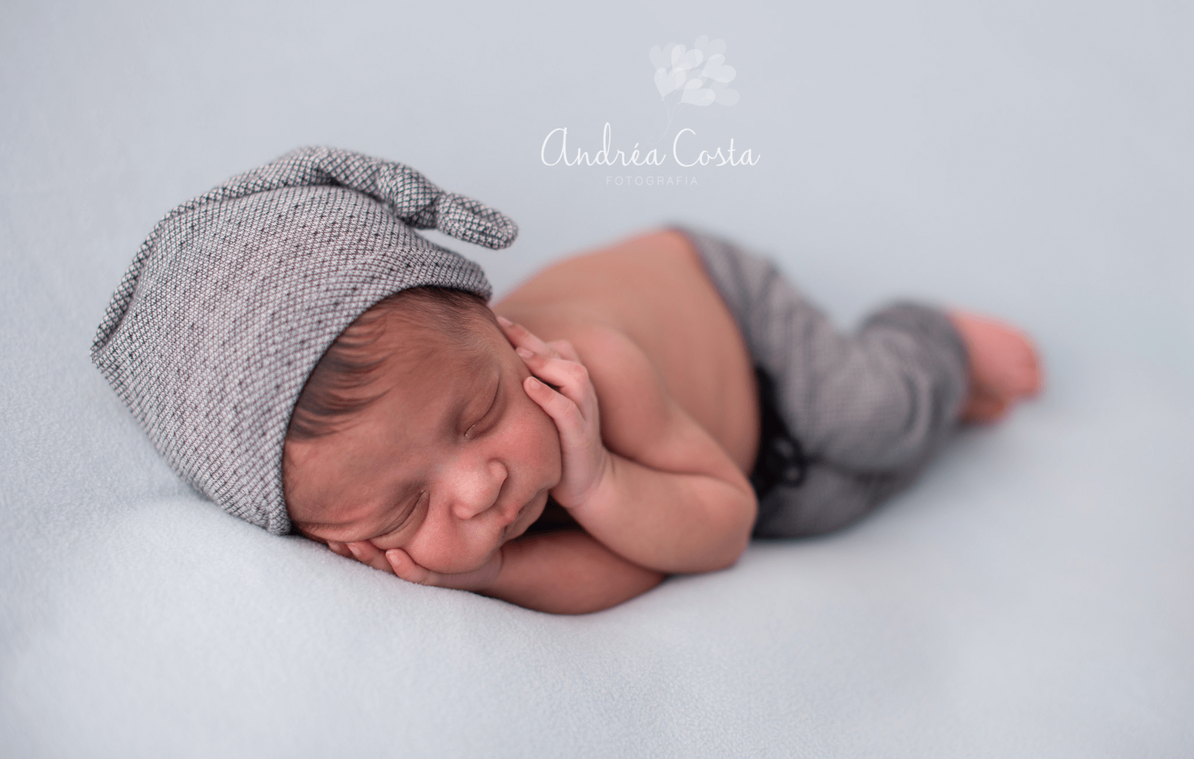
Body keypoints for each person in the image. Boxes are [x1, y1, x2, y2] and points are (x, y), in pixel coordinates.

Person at [91, 147, 1042, 615]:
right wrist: (503, 570)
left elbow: (723, 523)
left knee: (865, 417)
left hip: (733, 324)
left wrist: (597, 481)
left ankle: (926, 344)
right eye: (397, 512)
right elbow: (637, 561)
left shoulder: (586, 371)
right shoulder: (476, 522)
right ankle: (932, 415)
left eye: (477, 414)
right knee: (825, 503)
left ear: (505, 337)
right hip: (741, 459)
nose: (478, 488)